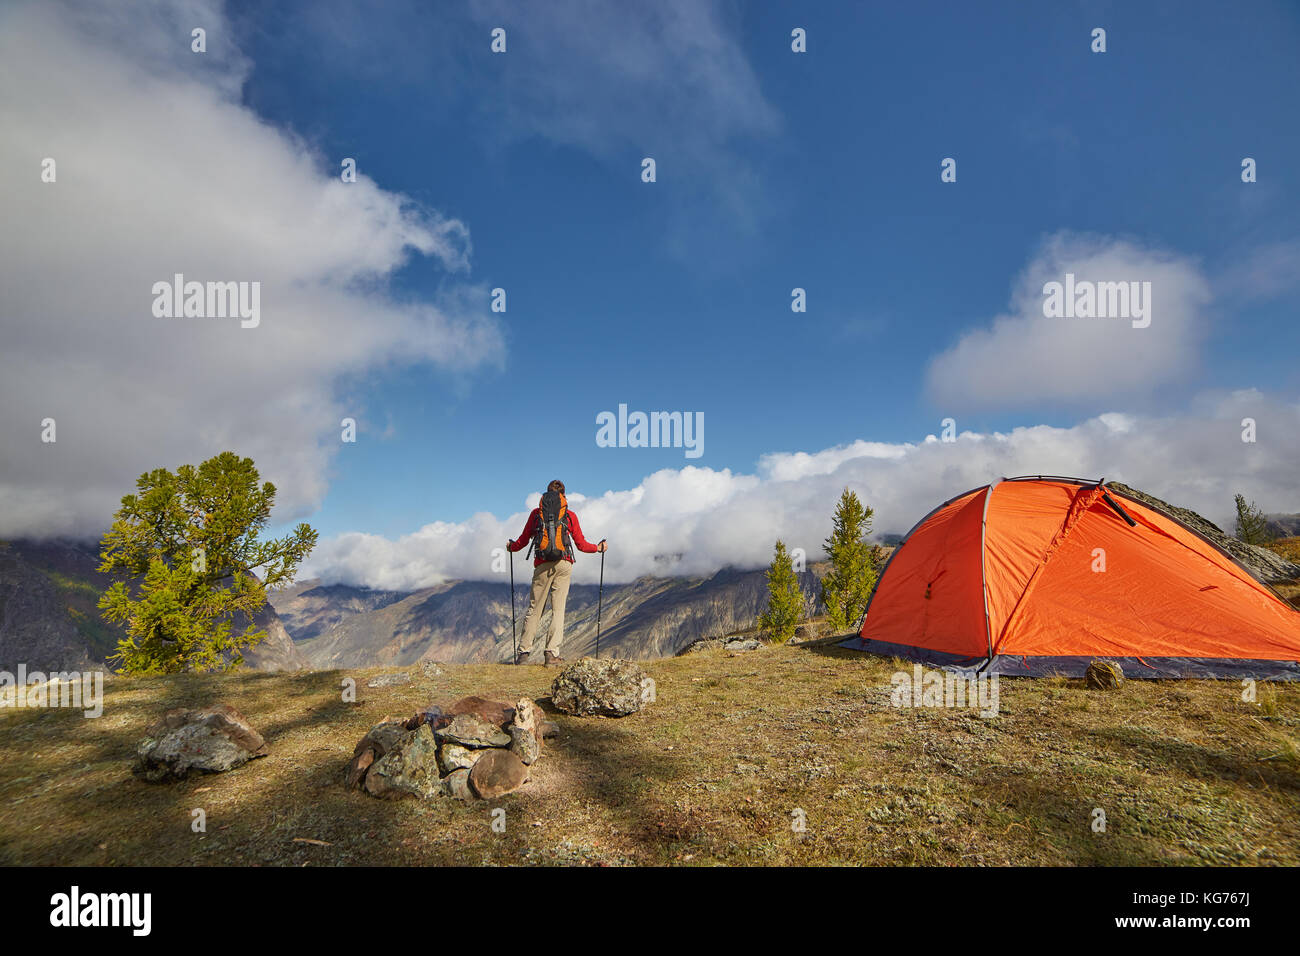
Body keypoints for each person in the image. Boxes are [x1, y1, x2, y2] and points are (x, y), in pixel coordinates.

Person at [507, 479, 606, 666]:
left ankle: (524, 654)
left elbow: (523, 540)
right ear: (564, 496)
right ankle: (551, 655)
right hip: (564, 564)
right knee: (558, 610)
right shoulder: (569, 516)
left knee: (534, 609)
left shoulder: (537, 514)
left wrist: (511, 547)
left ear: (546, 495)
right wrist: (598, 548)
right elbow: (581, 545)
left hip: (542, 564)